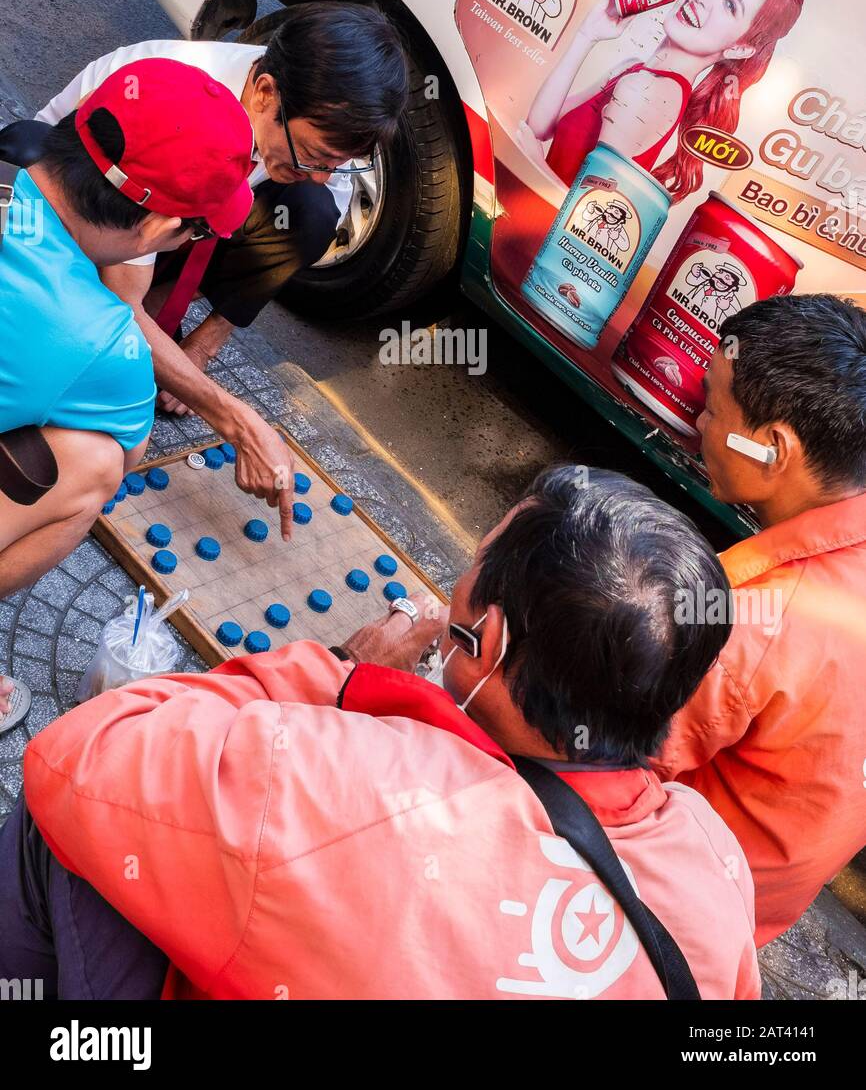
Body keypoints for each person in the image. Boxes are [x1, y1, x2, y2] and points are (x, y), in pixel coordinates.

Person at [3, 467, 760, 999]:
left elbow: (79, 750)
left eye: (472, 566)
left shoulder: (340, 777)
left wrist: (340, 675)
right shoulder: (715, 866)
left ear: (485, 643)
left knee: (56, 830)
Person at [0, 58, 263, 725]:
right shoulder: (100, 339)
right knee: (92, 463)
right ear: (151, 231)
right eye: (197, 228)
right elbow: (127, 441)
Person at [33, 2, 409, 428]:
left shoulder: (311, 136)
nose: (322, 176)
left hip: (139, 236)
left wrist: (196, 355)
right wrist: (231, 417)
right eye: (314, 156)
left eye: (335, 164)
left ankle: (161, 324)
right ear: (266, 93)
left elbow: (321, 204)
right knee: (110, 410)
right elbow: (123, 296)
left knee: (311, 211)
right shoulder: (173, 100)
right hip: (66, 224)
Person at [654, 294, 866, 946]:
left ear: (774, 449)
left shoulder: (749, 620)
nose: (697, 419)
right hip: (750, 921)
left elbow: (596, 754)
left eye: (715, 409)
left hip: (655, 910)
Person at [519, 0, 803, 201]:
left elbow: (586, 216)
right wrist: (587, 35)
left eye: (730, 5)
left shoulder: (650, 90)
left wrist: (535, 161)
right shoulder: (636, 72)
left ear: (740, 48)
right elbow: (540, 128)